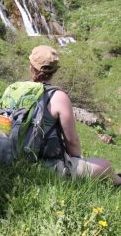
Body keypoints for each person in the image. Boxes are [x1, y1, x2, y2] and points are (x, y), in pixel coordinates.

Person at [29, 45, 121, 186]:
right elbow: (72, 143)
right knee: (105, 166)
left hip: (9, 155)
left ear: (31, 67)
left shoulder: (15, 90)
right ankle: (118, 182)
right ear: (55, 70)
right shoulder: (58, 97)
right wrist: (77, 163)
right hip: (41, 166)